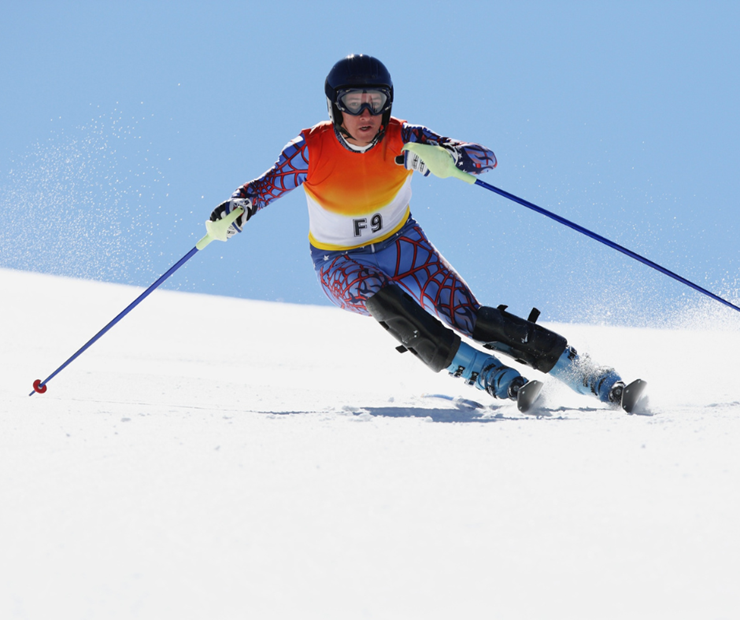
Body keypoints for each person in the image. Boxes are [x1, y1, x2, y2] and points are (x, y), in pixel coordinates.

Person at [210, 54, 643, 412]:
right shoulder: (310, 149)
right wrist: (237, 208)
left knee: (470, 316)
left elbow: (485, 157)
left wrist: (449, 158)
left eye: (376, 102)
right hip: (340, 262)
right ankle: (496, 379)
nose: (366, 114)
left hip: (405, 247)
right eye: (354, 102)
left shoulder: (404, 138)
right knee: (386, 299)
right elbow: (261, 189)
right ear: (334, 107)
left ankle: (595, 378)